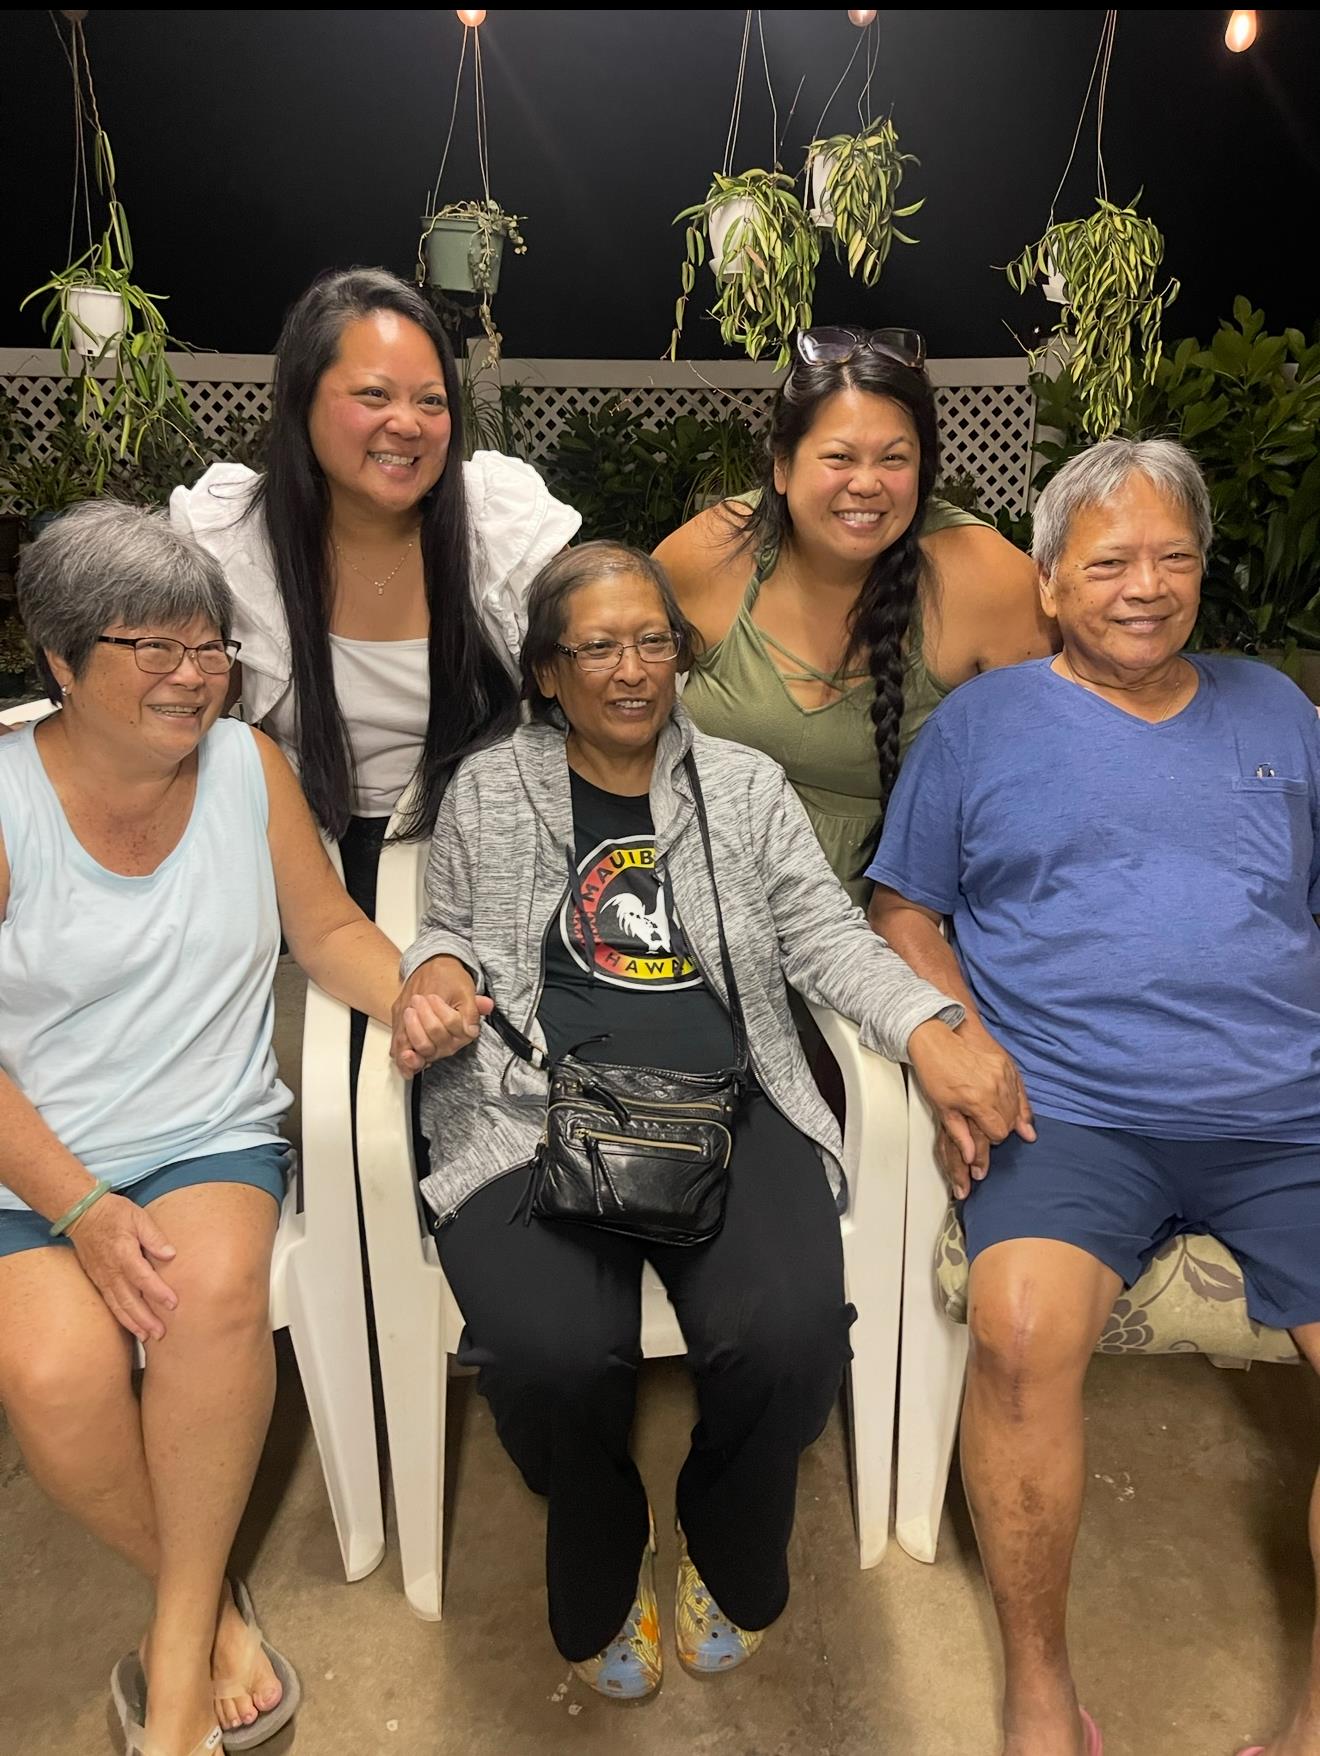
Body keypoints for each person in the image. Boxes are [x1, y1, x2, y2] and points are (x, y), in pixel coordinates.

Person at [391, 538, 1033, 1697]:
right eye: (598, 646)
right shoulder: (490, 788)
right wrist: (433, 981)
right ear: (546, 672)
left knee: (789, 1340)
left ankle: (727, 1546)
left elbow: (827, 938)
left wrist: (933, 1027)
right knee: (545, 1358)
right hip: (536, 1114)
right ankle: (602, 1548)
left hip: (731, 1106)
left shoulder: (740, 784)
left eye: (654, 641)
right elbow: (445, 928)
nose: (632, 669)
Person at [865, 439, 1320, 1756]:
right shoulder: (984, 724)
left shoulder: (1278, 713)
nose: (1148, 585)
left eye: (1174, 557)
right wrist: (956, 1034)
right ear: (1052, 583)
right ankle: (1038, 1690)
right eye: (1111, 561)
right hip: (1071, 1109)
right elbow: (905, 912)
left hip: (1286, 1111)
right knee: (1014, 1329)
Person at [0, 503, 467, 1756]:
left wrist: (411, 985)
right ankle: (201, 1610)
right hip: (30, 1150)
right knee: (52, 1373)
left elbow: (324, 930)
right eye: (148, 648)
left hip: (204, 1127)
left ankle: (171, 1668)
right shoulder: (4, 801)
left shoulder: (245, 767)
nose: (190, 676)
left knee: (203, 1297)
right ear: (58, 660)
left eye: (206, 647)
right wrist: (81, 1207)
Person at [169, 265, 581, 919]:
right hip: (294, 861)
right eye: (373, 395)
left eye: (431, 400)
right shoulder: (231, 543)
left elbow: (604, 647)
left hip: (487, 861)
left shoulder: (502, 526)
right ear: (303, 400)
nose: (408, 424)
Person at [654, 325, 1055, 904]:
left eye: (894, 458)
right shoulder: (712, 553)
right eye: (839, 457)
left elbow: (1047, 772)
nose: (866, 484)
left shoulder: (985, 579)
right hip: (699, 898)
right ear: (782, 467)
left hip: (886, 924)